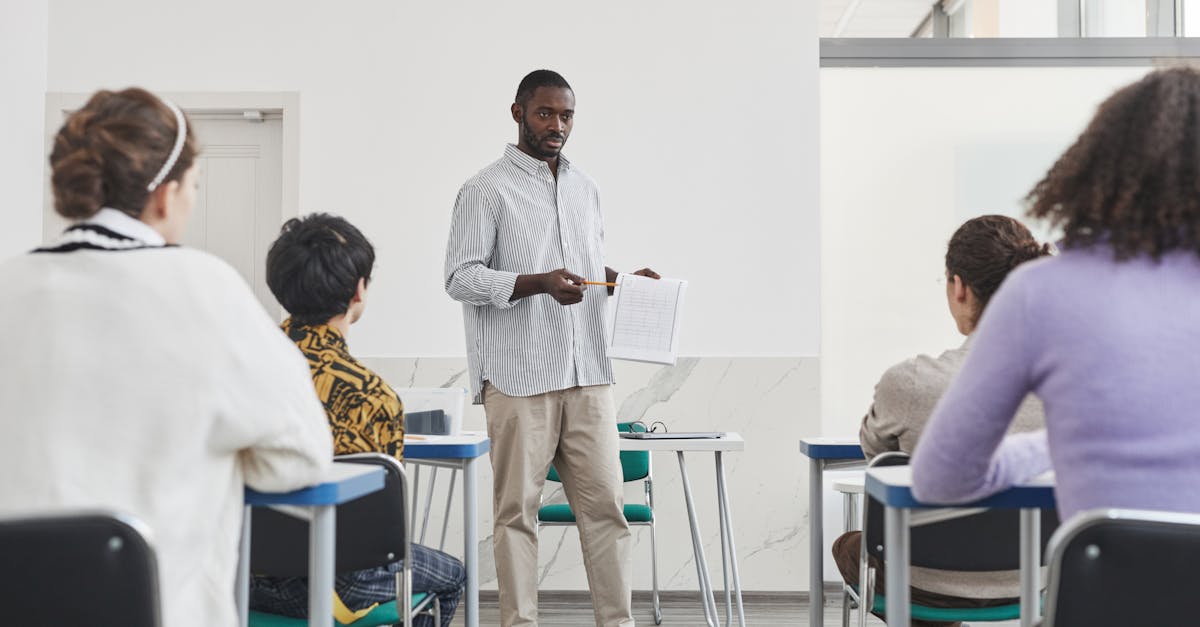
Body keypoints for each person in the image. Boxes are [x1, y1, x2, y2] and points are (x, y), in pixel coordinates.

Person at [0, 88, 334, 627]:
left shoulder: (6, 285)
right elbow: (301, 455)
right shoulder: (206, 289)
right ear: (165, 195)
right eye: (194, 188)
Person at [912, 67, 1200, 522]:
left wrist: (1049, 447)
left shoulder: (1042, 292)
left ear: (1095, 169)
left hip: (1109, 588)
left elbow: (941, 477)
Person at [444, 69, 658, 627]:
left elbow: (582, 271)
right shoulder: (482, 189)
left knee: (607, 509)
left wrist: (621, 282)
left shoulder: (586, 187)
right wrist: (537, 283)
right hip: (518, 379)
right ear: (517, 113)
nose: (557, 126)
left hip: (589, 374)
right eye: (545, 113)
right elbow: (460, 277)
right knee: (517, 513)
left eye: (566, 116)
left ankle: (618, 622)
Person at [831, 215, 1050, 627]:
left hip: (925, 579)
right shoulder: (1068, 386)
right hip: (1036, 578)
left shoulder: (910, 382)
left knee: (853, 546)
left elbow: (877, 459)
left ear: (959, 287)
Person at [251, 213, 465, 627]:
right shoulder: (373, 395)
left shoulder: (244, 368)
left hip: (244, 572)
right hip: (338, 583)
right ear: (358, 291)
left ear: (280, 283)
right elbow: (381, 533)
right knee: (453, 574)